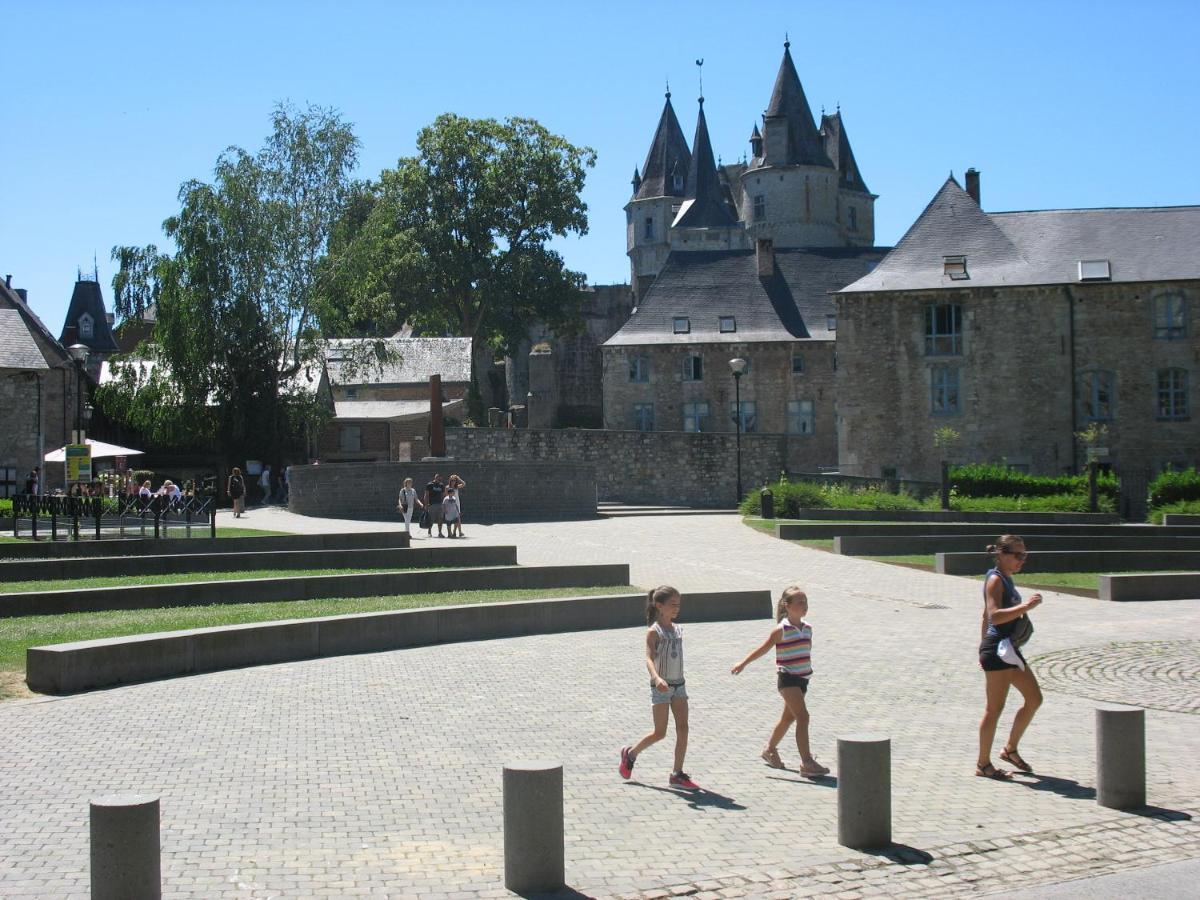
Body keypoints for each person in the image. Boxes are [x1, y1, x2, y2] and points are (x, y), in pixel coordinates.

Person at [731, 586, 831, 776]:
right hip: (787, 678)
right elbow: (762, 649)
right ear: (787, 605)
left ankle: (769, 749)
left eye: (805, 601)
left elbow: (805, 651)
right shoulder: (781, 630)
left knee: (789, 717)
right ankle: (807, 762)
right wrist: (743, 663)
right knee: (803, 717)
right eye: (800, 602)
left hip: (803, 679)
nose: (804, 605)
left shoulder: (808, 628)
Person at [618, 586, 698, 790]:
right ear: (659, 606)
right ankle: (631, 754)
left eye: (678, 605)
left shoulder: (678, 629)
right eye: (672, 605)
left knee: (683, 728)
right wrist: (657, 678)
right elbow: (648, 658)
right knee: (660, 732)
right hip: (660, 687)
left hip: (679, 684)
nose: (676, 609)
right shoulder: (654, 631)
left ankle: (677, 774)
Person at [977, 534, 1043, 779]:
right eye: (1018, 555)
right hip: (998, 651)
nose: (1022, 560)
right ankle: (983, 764)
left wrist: (980, 643)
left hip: (1008, 649)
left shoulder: (1006, 578)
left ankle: (1010, 749)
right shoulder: (995, 580)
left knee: (1034, 698)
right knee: (994, 708)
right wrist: (1026, 607)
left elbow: (985, 616)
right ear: (1002, 554)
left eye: (1024, 555)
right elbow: (994, 615)